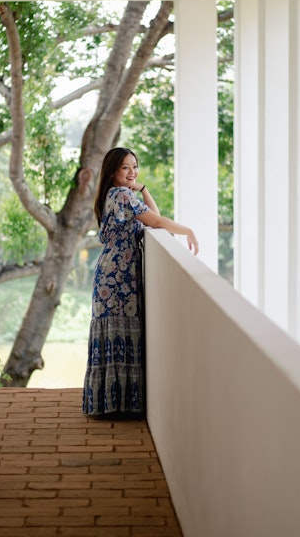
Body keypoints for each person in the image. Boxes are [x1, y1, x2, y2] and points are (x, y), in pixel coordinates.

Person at [82, 147, 199, 418]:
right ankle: (118, 406)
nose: (132, 172)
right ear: (113, 172)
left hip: (114, 274)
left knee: (116, 333)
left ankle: (109, 404)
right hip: (116, 279)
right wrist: (187, 230)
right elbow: (156, 220)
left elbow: (152, 218)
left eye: (135, 166)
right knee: (119, 331)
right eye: (125, 167)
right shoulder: (123, 195)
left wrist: (143, 189)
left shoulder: (116, 194)